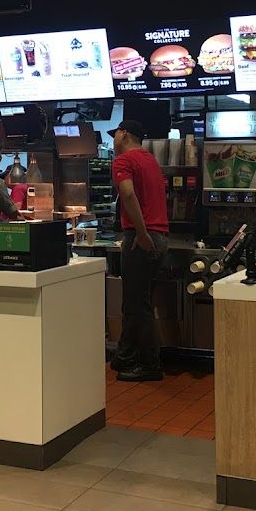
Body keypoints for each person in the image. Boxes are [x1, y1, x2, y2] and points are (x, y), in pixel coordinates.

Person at [108, 120, 169, 382]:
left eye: (115, 134)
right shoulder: (150, 161)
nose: (114, 139)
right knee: (136, 302)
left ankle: (150, 365)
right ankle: (126, 355)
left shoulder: (123, 161)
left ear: (123, 134)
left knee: (137, 306)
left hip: (140, 238)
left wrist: (141, 234)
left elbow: (129, 195)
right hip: (160, 236)